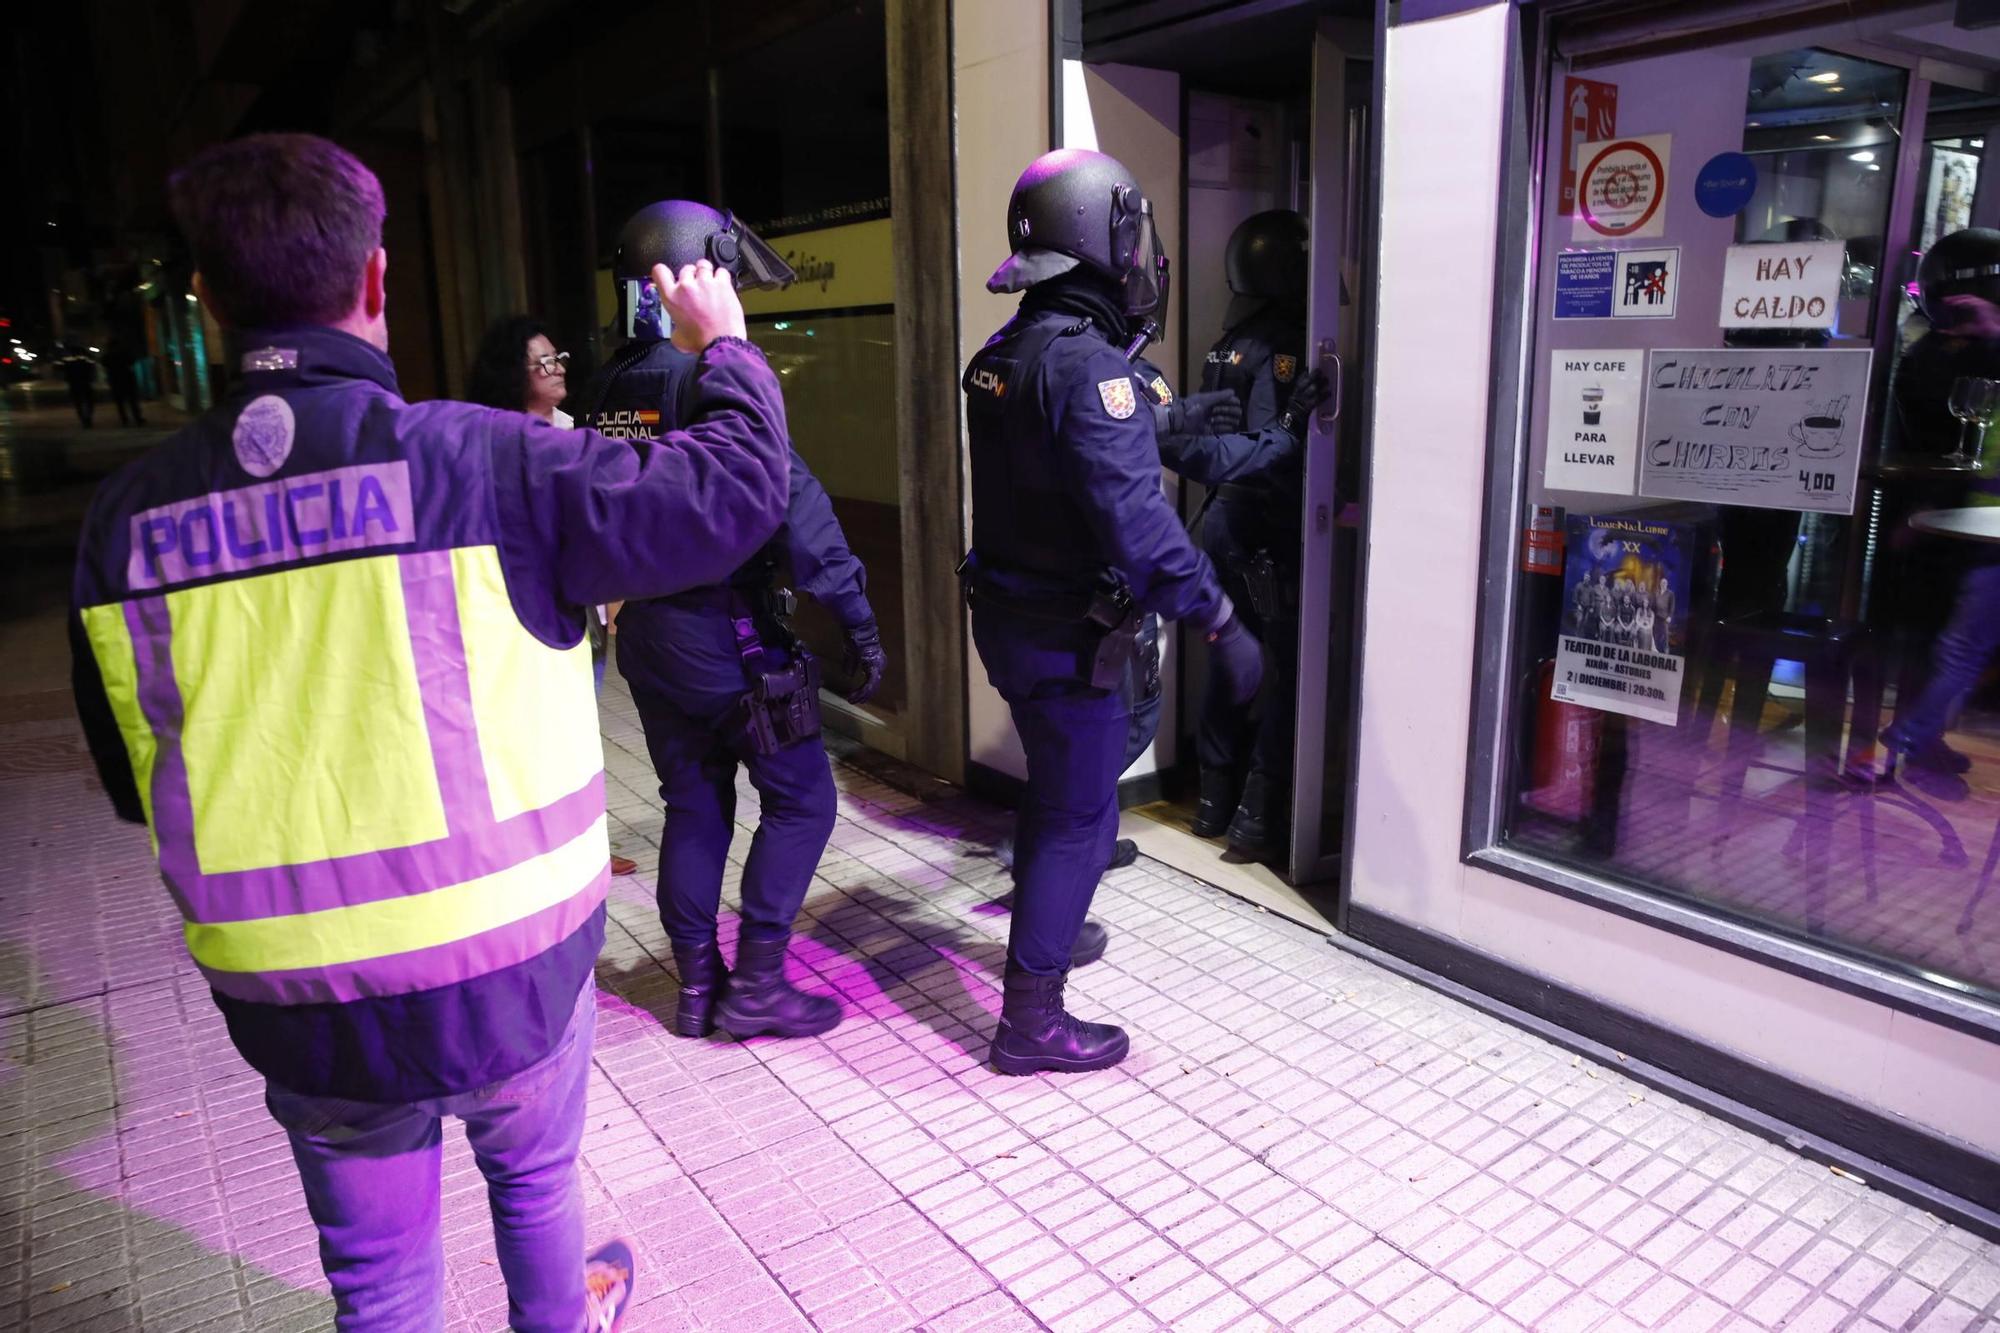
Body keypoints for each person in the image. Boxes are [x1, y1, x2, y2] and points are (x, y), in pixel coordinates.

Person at [68, 133, 794, 1331]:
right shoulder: (488, 461)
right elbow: (731, 492)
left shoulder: (123, 524)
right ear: (375, 282)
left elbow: (132, 775)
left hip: (298, 998)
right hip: (507, 964)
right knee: (534, 1179)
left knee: (379, 1280)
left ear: (205, 299)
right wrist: (725, 347)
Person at [962, 148, 1263, 1075]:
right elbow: (1139, 526)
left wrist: (1173, 418)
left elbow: (1059, 454)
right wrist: (1221, 621)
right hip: (1069, 634)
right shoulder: (1091, 368)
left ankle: (1047, 923)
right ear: (1103, 238)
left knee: (1057, 792)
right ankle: (1031, 1018)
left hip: (1012, 618)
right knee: (1076, 813)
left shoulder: (1002, 354)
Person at [575, 200, 885, 1043]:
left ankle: (696, 986)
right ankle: (756, 983)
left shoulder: (608, 382)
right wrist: (858, 624)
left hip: (645, 636)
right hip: (729, 638)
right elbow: (795, 504)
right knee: (803, 801)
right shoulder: (712, 376)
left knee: (692, 803)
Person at [1179, 210, 1330, 859]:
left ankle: (1213, 801)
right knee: (1287, 665)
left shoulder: (1228, 338)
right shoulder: (1282, 342)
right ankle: (1257, 813)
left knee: (1229, 657)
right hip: (1263, 523)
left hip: (1220, 521)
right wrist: (1300, 424)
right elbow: (1269, 449)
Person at [469, 314, 640, 878]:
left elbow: (598, 518)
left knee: (580, 729)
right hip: (517, 613)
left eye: (557, 357)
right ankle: (531, 850)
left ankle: (586, 844)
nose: (556, 368)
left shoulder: (571, 430)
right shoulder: (488, 442)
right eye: (541, 362)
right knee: (523, 735)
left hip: (581, 611)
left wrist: (614, 592)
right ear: (508, 374)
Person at [1853, 228, 2000, 782]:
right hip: (1923, 523)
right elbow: (1938, 431)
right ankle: (1885, 747)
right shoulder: (1929, 353)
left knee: (1946, 642)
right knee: (1921, 640)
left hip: (1956, 522)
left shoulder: (1958, 348)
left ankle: (1916, 739)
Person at [104, 330, 146, 426]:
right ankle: (137, 418)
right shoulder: (124, 352)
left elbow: (104, 364)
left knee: (120, 402)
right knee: (132, 401)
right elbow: (131, 361)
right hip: (127, 378)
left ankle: (124, 420)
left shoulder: (108, 355)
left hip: (115, 380)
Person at [59, 345, 97, 427]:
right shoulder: (86, 359)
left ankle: (83, 419)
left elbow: (60, 368)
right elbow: (92, 366)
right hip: (85, 382)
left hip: (74, 383)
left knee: (78, 402)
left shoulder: (67, 360)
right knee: (88, 401)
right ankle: (88, 417)